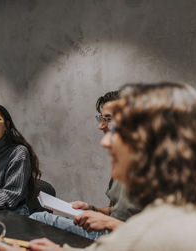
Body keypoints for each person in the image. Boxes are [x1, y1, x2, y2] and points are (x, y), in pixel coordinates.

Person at [0, 82, 196, 251]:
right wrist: (92, 211)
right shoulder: (164, 209)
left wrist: (110, 224)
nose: (105, 138)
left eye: (116, 127)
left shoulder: (164, 230)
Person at [29, 91, 141, 240]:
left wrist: (109, 223)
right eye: (101, 118)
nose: (101, 126)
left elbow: (157, 235)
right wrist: (92, 210)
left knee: (39, 218)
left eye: (108, 119)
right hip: (108, 231)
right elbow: (113, 209)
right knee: (37, 218)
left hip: (124, 240)